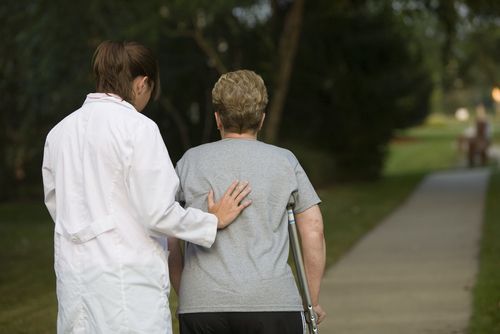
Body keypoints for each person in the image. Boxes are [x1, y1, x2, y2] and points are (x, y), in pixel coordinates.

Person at [42, 41, 251, 334]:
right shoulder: (138, 128)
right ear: (142, 83)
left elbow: (57, 205)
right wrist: (212, 221)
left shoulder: (59, 133)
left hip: (73, 280)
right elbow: (158, 212)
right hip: (127, 288)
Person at [169, 70, 326, 334]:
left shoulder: (189, 162)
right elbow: (313, 229)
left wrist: (183, 289)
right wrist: (310, 300)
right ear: (262, 119)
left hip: (202, 304)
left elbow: (168, 234)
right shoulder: (285, 161)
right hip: (272, 301)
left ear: (217, 118)